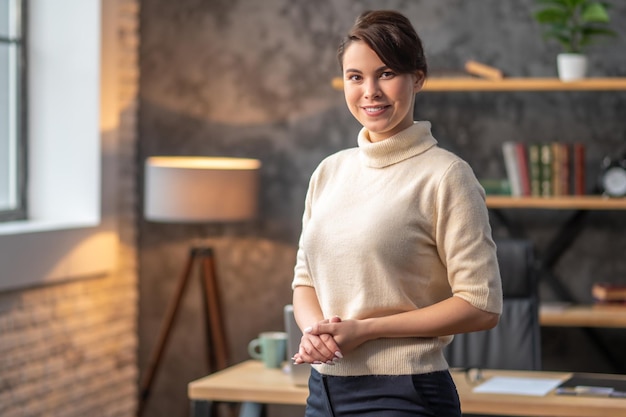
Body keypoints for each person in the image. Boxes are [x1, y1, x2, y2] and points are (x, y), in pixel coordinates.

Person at [290, 9, 503, 417]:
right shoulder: (329, 172)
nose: (370, 91)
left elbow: (481, 305)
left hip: (405, 393)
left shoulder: (446, 176)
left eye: (386, 74)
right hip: (323, 391)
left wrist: (365, 330)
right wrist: (316, 334)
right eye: (356, 77)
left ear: (417, 77)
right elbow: (304, 281)